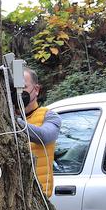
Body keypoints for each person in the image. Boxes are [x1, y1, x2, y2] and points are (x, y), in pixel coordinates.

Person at [18, 68, 62, 196]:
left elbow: (44, 136)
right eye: (15, 87)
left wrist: (14, 122)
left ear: (36, 89)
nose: (19, 92)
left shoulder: (50, 116)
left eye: (23, 87)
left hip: (39, 195)